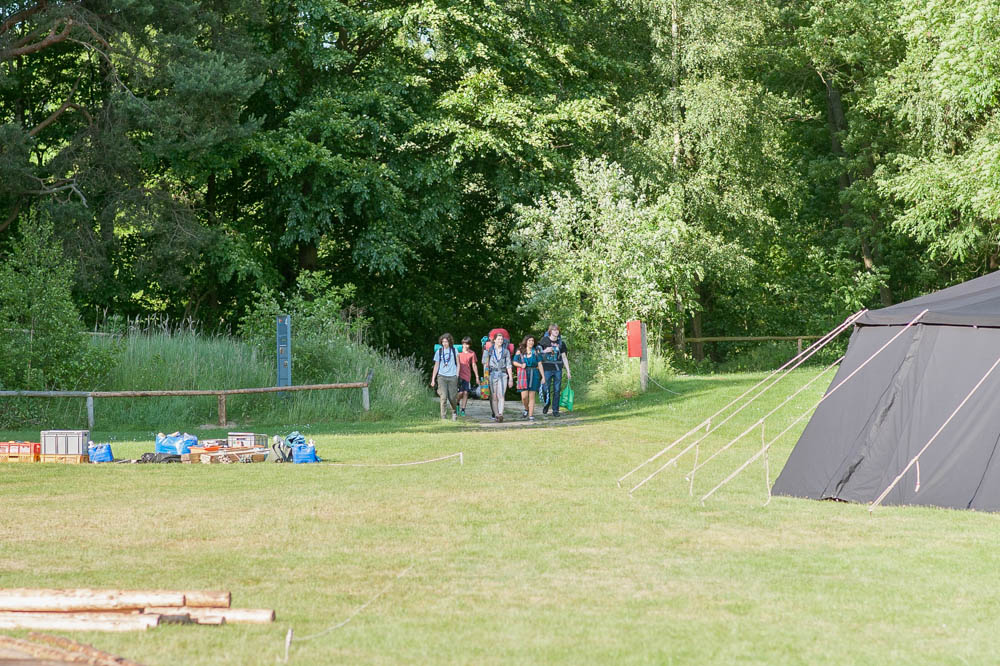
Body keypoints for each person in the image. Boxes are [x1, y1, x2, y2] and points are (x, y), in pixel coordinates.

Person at [539, 323, 571, 416]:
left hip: (557, 369)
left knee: (557, 390)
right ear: (550, 331)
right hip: (546, 368)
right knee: (545, 389)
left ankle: (555, 410)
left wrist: (568, 371)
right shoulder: (544, 340)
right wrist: (545, 351)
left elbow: (564, 357)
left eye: (557, 330)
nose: (556, 331)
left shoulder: (561, 343)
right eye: (554, 330)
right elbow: (537, 353)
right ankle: (547, 403)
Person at [513, 335, 545, 420]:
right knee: (524, 397)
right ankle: (526, 408)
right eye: (529, 340)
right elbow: (514, 362)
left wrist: (543, 377)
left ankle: (531, 415)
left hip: (534, 374)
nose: (531, 342)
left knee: (532, 396)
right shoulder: (520, 351)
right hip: (523, 374)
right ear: (526, 341)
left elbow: (540, 364)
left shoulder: (536, 352)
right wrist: (521, 365)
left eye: (532, 341)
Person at [483, 331, 513, 422]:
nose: (500, 341)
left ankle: (500, 414)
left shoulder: (506, 351)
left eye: (501, 339)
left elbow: (508, 365)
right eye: (498, 339)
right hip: (492, 374)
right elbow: (485, 364)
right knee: (494, 396)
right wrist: (485, 376)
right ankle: (496, 414)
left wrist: (511, 378)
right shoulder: (489, 350)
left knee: (501, 395)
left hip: (503, 374)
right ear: (494, 340)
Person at [430, 333, 460, 420]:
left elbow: (458, 364)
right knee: (443, 397)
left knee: (452, 397)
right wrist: (433, 379)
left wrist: (457, 374)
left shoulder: (454, 350)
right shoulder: (439, 351)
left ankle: (454, 412)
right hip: (441, 377)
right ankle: (443, 416)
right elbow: (436, 366)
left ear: (449, 342)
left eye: (446, 342)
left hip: (452, 376)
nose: (444, 343)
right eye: (443, 342)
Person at [456, 336, 480, 416]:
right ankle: (457, 403)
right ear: (462, 344)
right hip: (459, 375)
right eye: (464, 344)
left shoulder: (472, 353)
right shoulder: (458, 352)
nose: (466, 346)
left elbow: (474, 365)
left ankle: (463, 410)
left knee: (466, 392)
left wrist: (477, 376)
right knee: (460, 393)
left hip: (467, 375)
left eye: (467, 344)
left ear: (469, 345)